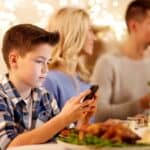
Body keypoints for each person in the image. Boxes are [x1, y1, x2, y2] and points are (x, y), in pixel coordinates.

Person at [0, 24, 97, 150]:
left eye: (48, 62)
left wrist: (82, 120)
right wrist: (63, 118)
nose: (46, 69)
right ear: (14, 60)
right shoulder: (2, 98)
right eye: (39, 61)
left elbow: (67, 140)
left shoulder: (45, 97)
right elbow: (9, 146)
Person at [92, 0, 150, 121]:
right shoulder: (107, 63)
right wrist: (141, 104)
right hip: (119, 139)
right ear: (134, 26)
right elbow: (98, 113)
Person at [42, 7, 96, 110]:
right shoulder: (49, 80)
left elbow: (83, 125)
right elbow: (47, 126)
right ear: (73, 33)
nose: (94, 37)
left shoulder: (84, 79)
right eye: (89, 30)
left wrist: (104, 125)